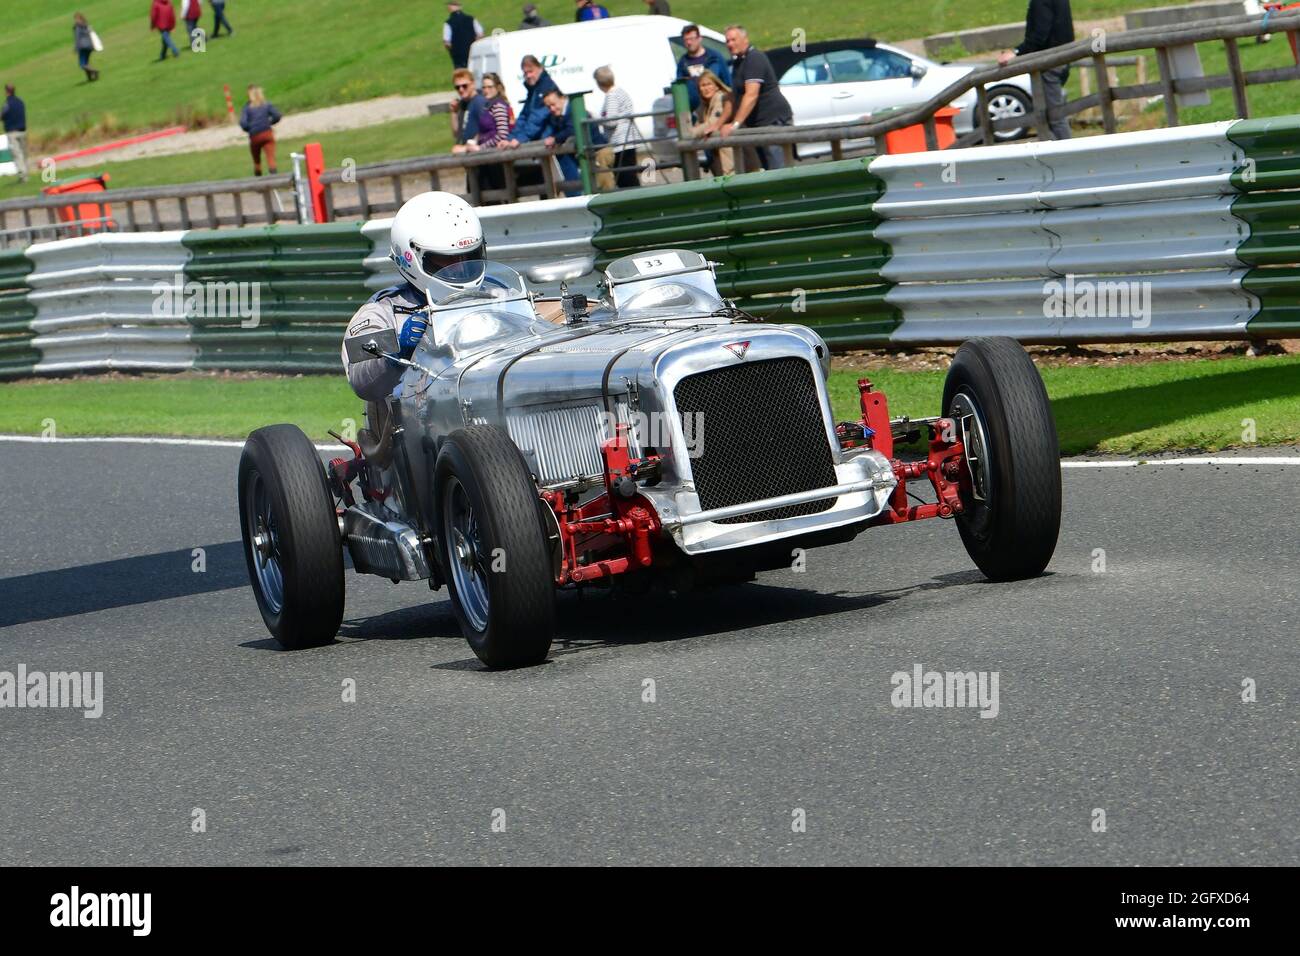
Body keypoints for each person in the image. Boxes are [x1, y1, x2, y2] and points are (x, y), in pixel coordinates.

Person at [341, 192, 485, 402]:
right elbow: (361, 381)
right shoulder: (382, 311)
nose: (459, 269)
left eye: (469, 257)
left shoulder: (499, 295)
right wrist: (398, 353)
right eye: (447, 261)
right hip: (416, 423)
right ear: (410, 258)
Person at [998, 0, 1074, 140]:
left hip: (1049, 62)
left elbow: (1039, 34)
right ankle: (1057, 151)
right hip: (1062, 57)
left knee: (1053, 116)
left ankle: (1067, 153)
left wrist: (1016, 52)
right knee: (1052, 114)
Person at [721, 24, 793, 171]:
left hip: (773, 121)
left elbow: (751, 95)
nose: (730, 44)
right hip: (758, 125)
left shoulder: (754, 58)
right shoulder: (738, 62)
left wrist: (735, 124)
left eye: (733, 40)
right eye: (727, 41)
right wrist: (717, 124)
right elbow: (734, 97)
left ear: (745, 39)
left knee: (778, 170)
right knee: (767, 169)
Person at [593, 66, 638, 189]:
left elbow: (611, 121)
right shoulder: (620, 92)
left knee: (625, 178)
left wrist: (598, 120)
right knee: (628, 176)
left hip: (621, 142)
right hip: (627, 140)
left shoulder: (612, 96)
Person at [503, 55, 559, 146]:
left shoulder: (546, 88)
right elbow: (524, 116)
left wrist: (519, 138)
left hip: (550, 141)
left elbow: (537, 118)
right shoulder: (533, 90)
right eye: (525, 73)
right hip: (541, 139)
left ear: (540, 68)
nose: (528, 76)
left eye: (530, 71)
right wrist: (510, 138)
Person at [676, 23, 731, 111]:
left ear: (699, 38)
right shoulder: (683, 63)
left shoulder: (714, 57)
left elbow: (727, 82)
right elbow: (680, 90)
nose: (689, 42)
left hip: (717, 107)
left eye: (691, 39)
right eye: (686, 40)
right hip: (695, 110)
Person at [691, 70, 734, 176]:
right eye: (702, 86)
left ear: (717, 86)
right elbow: (698, 124)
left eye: (709, 84)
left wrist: (689, 134)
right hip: (718, 155)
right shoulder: (704, 105)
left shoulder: (720, 98)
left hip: (731, 157)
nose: (706, 88)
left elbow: (712, 123)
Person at [540, 89, 581, 196]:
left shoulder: (572, 110)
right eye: (548, 107)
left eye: (553, 104)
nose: (552, 109)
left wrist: (555, 139)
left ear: (562, 98)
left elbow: (572, 129)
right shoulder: (557, 116)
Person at [239, 85, 282, 176]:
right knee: (271, 158)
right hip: (267, 133)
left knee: (257, 161)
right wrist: (270, 122)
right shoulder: (266, 104)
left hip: (255, 136)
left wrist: (250, 129)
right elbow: (277, 115)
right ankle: (274, 180)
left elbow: (243, 123)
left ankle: (259, 182)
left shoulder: (247, 108)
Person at [449, 68, 486, 148]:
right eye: (457, 87)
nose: (461, 90)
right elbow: (456, 133)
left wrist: (469, 146)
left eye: (464, 86)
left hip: (478, 151)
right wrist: (454, 112)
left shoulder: (479, 102)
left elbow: (487, 128)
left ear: (473, 84)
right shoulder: (462, 104)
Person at [444, 2, 484, 70]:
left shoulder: (448, 23)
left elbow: (447, 42)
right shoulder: (471, 18)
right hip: (473, 50)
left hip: (458, 55)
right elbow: (480, 34)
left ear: (449, 8)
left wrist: (452, 51)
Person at [1, 85, 27, 183]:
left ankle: (22, 175)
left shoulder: (7, 104)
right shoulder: (20, 102)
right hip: (22, 130)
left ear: (7, 92)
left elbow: (2, 116)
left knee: (17, 154)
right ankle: (26, 172)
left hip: (12, 132)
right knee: (24, 153)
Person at [73, 13, 99, 82]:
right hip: (89, 46)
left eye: (75, 19)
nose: (75, 20)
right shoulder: (86, 25)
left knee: (82, 65)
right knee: (86, 63)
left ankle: (94, 71)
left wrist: (76, 47)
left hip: (82, 46)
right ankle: (90, 78)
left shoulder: (77, 27)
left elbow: (77, 37)